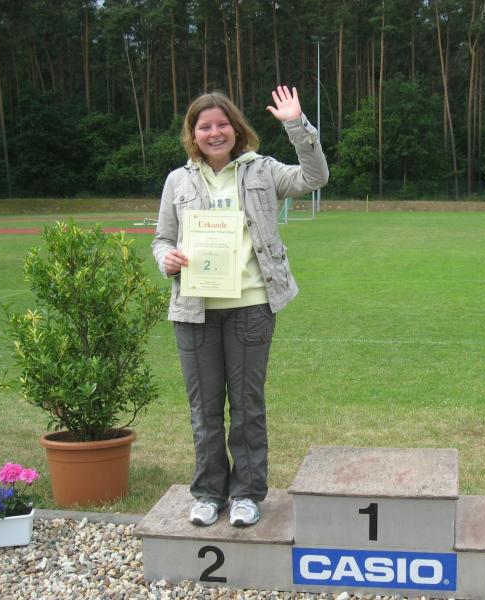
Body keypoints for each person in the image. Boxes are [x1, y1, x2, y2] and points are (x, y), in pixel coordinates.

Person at [152, 86, 329, 528]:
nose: (215, 133)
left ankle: (247, 493)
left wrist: (296, 124)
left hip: (252, 306)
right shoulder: (178, 181)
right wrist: (166, 258)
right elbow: (163, 239)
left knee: (247, 407)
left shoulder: (263, 170)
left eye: (222, 124)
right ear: (193, 133)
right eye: (204, 126)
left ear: (236, 128)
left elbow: (315, 177)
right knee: (205, 409)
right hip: (194, 311)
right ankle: (209, 493)